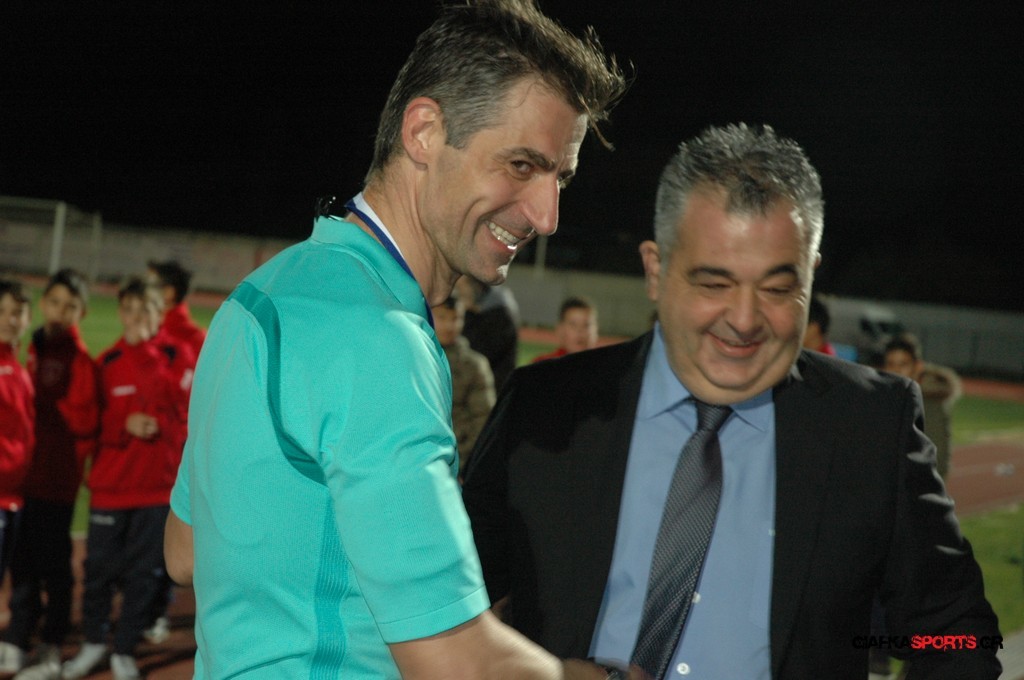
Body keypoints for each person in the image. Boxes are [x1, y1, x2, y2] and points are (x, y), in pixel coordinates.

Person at [164, 1, 631, 678]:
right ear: (423, 131)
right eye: (522, 165)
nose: (547, 215)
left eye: (559, 177)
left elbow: (185, 550)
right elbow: (451, 658)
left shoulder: (259, 295)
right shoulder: (379, 340)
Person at [462, 123, 1001, 679]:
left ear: (810, 276)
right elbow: (438, 613)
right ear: (655, 270)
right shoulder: (543, 409)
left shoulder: (872, 427)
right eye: (714, 284)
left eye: (776, 288)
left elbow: (957, 634)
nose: (744, 320)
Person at [57, 277, 188, 680]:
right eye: (129, 310)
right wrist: (123, 423)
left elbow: (188, 417)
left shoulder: (177, 358)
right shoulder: (106, 363)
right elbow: (90, 423)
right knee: (98, 573)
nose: (136, 318)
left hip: (156, 489)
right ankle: (94, 641)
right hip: (111, 489)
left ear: (159, 314)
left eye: (145, 310)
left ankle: (125, 648)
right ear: (120, 314)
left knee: (144, 575)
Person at [0, 269, 99, 679]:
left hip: (56, 482)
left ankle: (53, 641)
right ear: (43, 305)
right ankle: (17, 637)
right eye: (54, 302)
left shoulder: (80, 360)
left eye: (70, 306)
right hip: (24, 479)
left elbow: (85, 422)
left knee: (54, 566)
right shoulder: (33, 347)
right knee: (21, 564)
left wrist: (39, 409)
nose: (60, 312)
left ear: (81, 313)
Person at [433, 294, 496, 479]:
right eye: (442, 317)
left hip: (458, 461)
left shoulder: (474, 365)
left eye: (455, 318)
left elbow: (483, 421)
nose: (449, 326)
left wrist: (460, 463)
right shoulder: (415, 357)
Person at [883, 333, 962, 479]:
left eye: (903, 364)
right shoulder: (887, 400)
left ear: (917, 367)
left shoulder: (930, 406)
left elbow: (937, 461)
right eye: (891, 364)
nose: (895, 371)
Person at [0, 278, 34, 589]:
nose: (10, 320)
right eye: (2, 311)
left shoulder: (18, 368)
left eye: (17, 312)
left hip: (14, 495)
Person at [457, 276, 522, 392]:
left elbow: (475, 352)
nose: (458, 293)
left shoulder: (498, 316)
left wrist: (468, 313)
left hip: (493, 389)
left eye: (460, 287)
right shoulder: (491, 308)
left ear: (475, 287)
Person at [146, 259, 206, 361]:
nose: (143, 291)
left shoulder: (192, 339)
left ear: (169, 292)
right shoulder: (149, 327)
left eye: (151, 286)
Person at [533, 295, 599, 362]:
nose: (580, 331)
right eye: (573, 325)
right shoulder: (542, 363)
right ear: (560, 329)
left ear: (596, 330)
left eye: (586, 325)